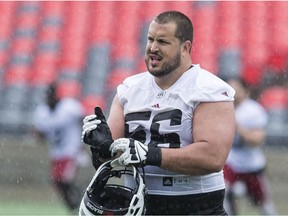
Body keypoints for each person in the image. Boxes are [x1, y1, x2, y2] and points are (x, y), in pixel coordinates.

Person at [82, 11, 236, 215]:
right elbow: (114, 158)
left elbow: (212, 157)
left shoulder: (209, 89)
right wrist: (101, 147)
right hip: (139, 202)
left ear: (185, 47)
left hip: (197, 205)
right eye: (150, 39)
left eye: (162, 41)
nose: (153, 48)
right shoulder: (129, 90)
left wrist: (150, 154)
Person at [223, 77, 278, 215]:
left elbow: (257, 140)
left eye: (236, 88)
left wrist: (238, 128)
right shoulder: (222, 107)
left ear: (245, 90)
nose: (233, 92)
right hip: (231, 160)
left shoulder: (253, 110)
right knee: (222, 192)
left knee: (262, 202)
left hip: (250, 164)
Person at [33, 83, 88, 213]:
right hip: (57, 153)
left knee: (63, 180)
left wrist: (84, 141)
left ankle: (82, 201)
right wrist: (39, 133)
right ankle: (75, 206)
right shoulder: (42, 112)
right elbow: (40, 135)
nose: (48, 99)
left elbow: (84, 120)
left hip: (71, 150)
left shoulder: (69, 107)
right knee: (57, 182)